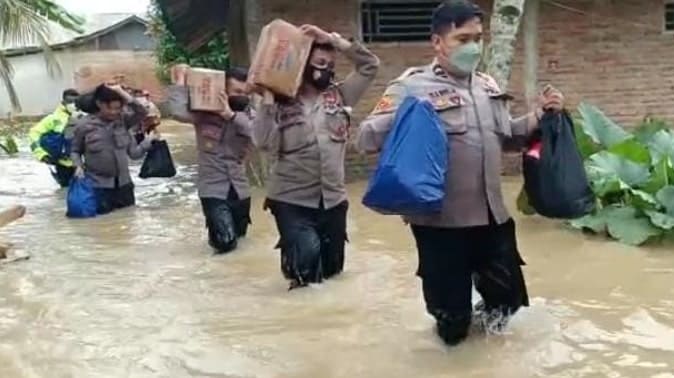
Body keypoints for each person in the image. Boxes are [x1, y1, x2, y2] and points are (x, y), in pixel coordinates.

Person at [357, 0, 564, 346]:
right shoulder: (411, 85)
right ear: (438, 42)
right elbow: (365, 137)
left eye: (478, 38)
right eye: (463, 39)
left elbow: (508, 138)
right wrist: (411, 115)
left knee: (506, 308)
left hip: (493, 219)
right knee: (451, 322)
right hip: (441, 226)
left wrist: (540, 116)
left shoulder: (486, 85)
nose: (473, 47)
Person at [252, 25, 379, 289]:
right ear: (303, 63)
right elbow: (262, 142)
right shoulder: (278, 102)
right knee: (305, 269)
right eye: (320, 62)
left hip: (333, 199)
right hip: (291, 200)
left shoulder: (340, 95)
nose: (327, 69)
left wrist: (334, 40)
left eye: (330, 64)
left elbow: (370, 66)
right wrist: (266, 100)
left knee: (333, 273)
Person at [167, 66, 255, 254]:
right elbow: (178, 113)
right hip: (212, 189)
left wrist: (230, 116)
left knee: (240, 241)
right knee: (225, 243)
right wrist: (180, 81)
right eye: (237, 92)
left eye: (246, 93)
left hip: (240, 190)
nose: (242, 97)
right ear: (223, 92)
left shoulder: (248, 115)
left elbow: (259, 136)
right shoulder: (204, 114)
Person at [70, 83, 159, 215]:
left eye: (117, 108)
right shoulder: (84, 126)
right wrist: (78, 166)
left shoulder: (123, 121)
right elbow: (75, 151)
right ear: (99, 104)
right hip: (99, 187)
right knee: (104, 227)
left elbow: (142, 112)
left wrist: (122, 93)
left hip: (125, 186)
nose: (114, 112)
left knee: (128, 222)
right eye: (110, 108)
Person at [29, 89, 80, 187]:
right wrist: (42, 155)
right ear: (63, 102)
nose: (73, 104)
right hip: (62, 164)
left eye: (75, 102)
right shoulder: (53, 119)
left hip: (83, 164)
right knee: (65, 192)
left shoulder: (85, 116)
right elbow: (33, 134)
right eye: (70, 102)